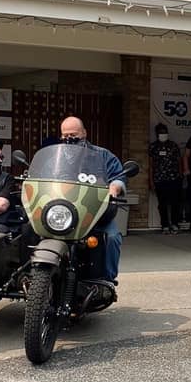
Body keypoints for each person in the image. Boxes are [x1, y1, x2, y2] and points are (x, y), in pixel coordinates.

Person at [59, 116, 127, 283]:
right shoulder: (56, 157)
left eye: (74, 134)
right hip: (63, 214)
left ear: (84, 133)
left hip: (95, 213)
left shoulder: (102, 156)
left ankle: (107, 280)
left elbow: (118, 176)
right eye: (65, 135)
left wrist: (114, 187)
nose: (70, 139)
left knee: (111, 237)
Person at [148, 123, 182, 233]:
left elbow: (179, 161)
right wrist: (151, 181)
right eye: (161, 132)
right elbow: (151, 165)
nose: (163, 134)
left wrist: (180, 176)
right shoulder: (153, 147)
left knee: (175, 202)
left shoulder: (173, 146)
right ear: (157, 134)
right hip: (159, 179)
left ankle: (175, 224)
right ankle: (165, 225)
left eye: (165, 132)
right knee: (162, 204)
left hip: (174, 178)